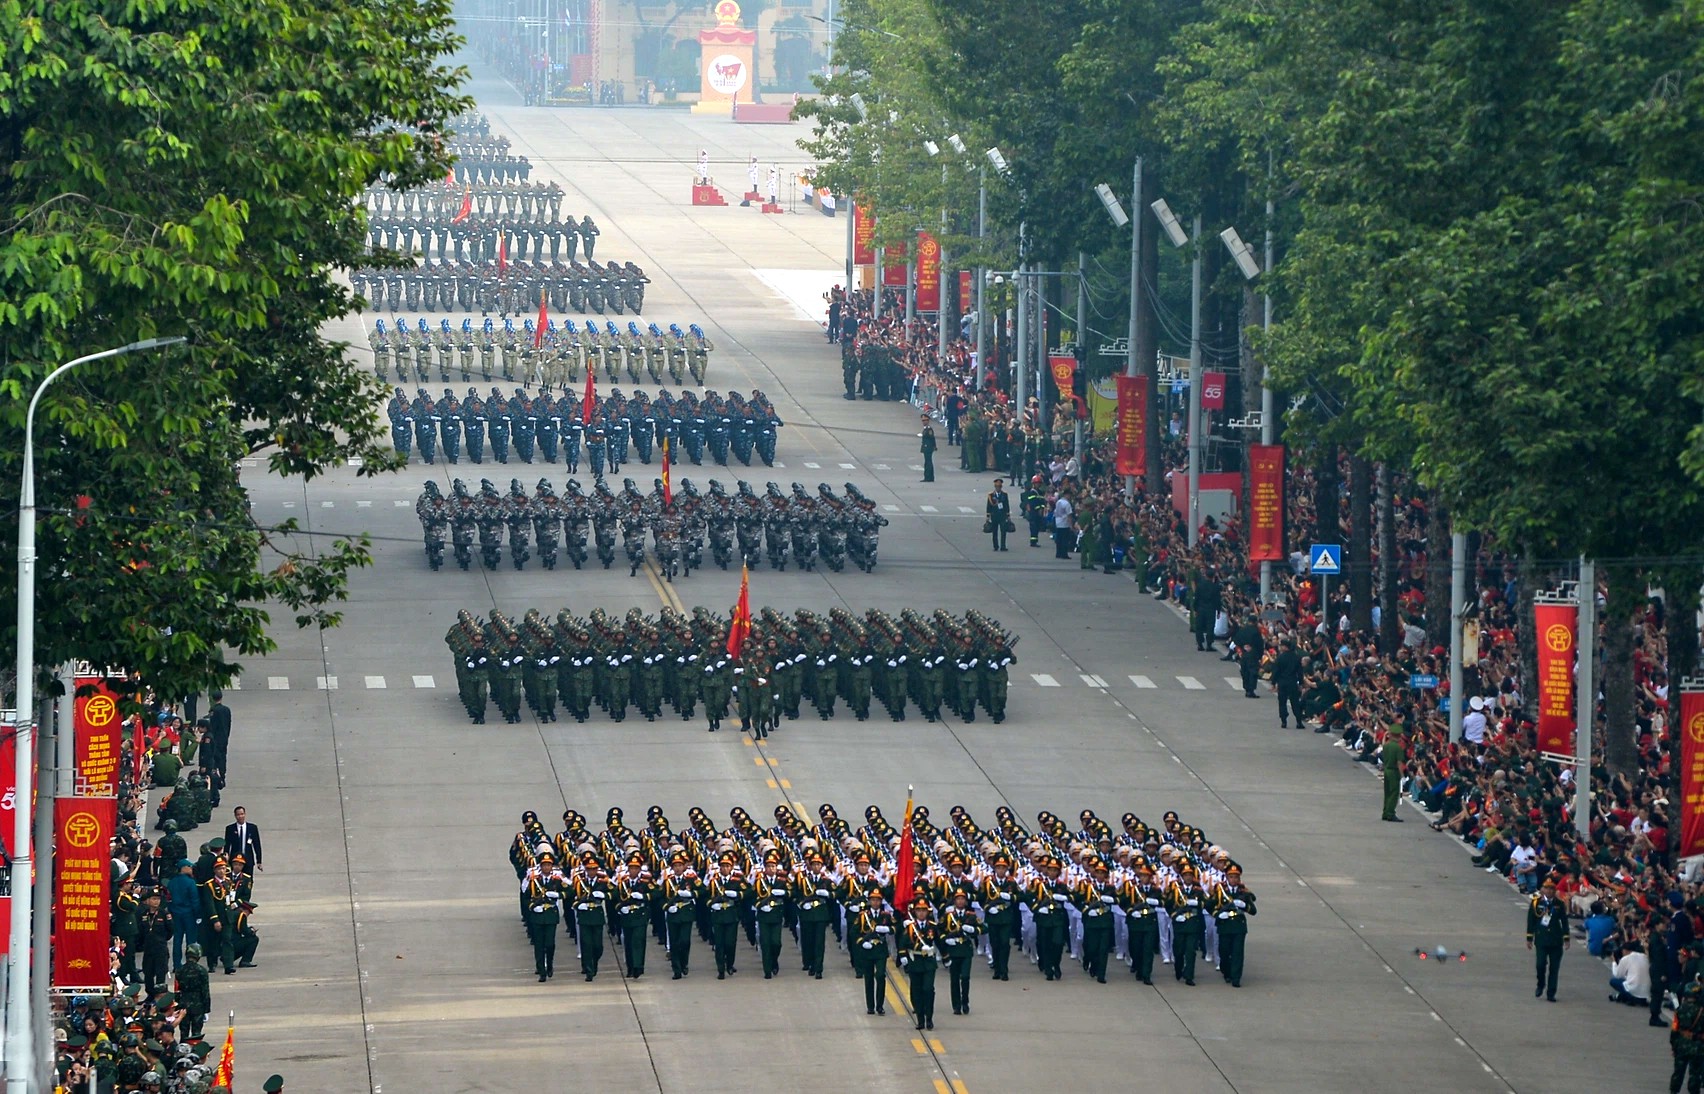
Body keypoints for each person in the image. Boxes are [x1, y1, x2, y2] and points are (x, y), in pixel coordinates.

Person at [1209, 864, 1256, 987]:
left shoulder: (1243, 892)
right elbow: (1209, 906)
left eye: (1236, 877)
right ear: (1227, 878)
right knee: (1224, 952)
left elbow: (1253, 911)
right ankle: (1227, 972)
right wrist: (1218, 915)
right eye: (1231, 877)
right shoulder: (1220, 890)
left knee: (1237, 953)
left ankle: (1236, 978)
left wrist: (1244, 905)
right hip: (1224, 926)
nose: (1234, 879)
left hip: (1238, 926)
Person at [898, 897, 939, 1030]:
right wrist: (903, 956)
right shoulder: (910, 928)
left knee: (928, 989)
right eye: (919, 910)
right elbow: (903, 943)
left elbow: (940, 941)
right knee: (916, 991)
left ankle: (929, 1018)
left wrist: (946, 956)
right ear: (915, 912)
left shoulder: (932, 926)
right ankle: (920, 1019)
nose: (921, 913)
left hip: (928, 962)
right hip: (915, 962)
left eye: (924, 910)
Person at [853, 888, 895, 1014]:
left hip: (880, 950)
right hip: (867, 951)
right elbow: (854, 932)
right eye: (873, 900)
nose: (875, 903)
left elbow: (895, 927)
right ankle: (870, 1006)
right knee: (869, 978)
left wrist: (888, 929)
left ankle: (880, 1005)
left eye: (878, 900)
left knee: (881, 975)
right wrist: (862, 942)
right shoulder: (863, 916)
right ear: (869, 901)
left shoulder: (885, 915)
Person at [1527, 875, 1570, 1001]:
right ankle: (1540, 985)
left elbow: (1564, 921)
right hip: (1541, 939)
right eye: (1547, 888)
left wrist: (1566, 938)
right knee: (1540, 965)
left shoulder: (1559, 904)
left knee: (1554, 968)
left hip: (1556, 940)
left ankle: (1551, 993)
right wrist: (1529, 938)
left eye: (1552, 888)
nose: (1549, 891)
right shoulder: (1536, 903)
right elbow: (1531, 921)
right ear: (1542, 889)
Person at [1673, 979, 1704, 1094]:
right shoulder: (1701, 1011)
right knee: (1695, 1072)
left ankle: (1674, 1090)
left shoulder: (1679, 1010)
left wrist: (1674, 1046)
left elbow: (1674, 1029)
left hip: (1681, 1044)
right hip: (1698, 1046)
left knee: (1678, 1071)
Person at [1271, 639, 1303, 728]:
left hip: (1282, 682)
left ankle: (1284, 721)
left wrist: (1273, 682)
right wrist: (1300, 683)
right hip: (1292, 682)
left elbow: (1276, 671)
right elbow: (1300, 672)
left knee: (1282, 702)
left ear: (1285, 647)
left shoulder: (1280, 658)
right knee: (1295, 702)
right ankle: (1299, 721)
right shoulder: (1296, 657)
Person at [1232, 614, 1265, 698]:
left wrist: (1243, 646)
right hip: (1253, 653)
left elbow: (1236, 639)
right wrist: (1260, 655)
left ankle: (1246, 689)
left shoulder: (1243, 629)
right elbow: (1260, 644)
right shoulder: (1256, 631)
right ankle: (1251, 690)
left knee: (1245, 671)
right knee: (1253, 671)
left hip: (1244, 653)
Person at [223, 806, 262, 877]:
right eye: (238, 815)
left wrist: (259, 861)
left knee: (248, 880)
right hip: (235, 860)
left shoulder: (252, 828)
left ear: (245, 814)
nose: (240, 816)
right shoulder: (230, 828)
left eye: (242, 814)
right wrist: (225, 860)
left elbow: (257, 845)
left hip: (248, 859)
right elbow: (227, 845)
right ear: (235, 816)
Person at [1380, 722, 1407, 823]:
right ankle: (1391, 813)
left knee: (1387, 793)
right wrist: (1402, 776)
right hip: (1394, 772)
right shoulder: (1398, 748)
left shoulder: (1387, 745)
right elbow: (1399, 763)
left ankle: (1385, 812)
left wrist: (1385, 736)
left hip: (1386, 770)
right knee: (1394, 793)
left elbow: (1383, 747)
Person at [1612, 941, 1653, 1006]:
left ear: (1624, 950)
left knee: (1613, 981)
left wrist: (1614, 962)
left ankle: (1631, 997)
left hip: (1633, 990)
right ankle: (1639, 999)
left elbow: (1617, 975)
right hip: (1646, 992)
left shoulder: (1626, 958)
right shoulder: (1644, 956)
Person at [205, 690, 232, 779]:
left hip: (216, 737)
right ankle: (223, 772)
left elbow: (212, 725)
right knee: (223, 755)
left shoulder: (214, 710)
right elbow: (229, 723)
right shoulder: (227, 710)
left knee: (215, 755)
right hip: (224, 736)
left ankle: (215, 772)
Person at [985, 479, 1011, 551]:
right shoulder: (991, 495)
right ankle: (995, 546)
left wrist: (1008, 515)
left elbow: (1006, 505)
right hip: (994, 515)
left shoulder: (1004, 495)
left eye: (999, 486)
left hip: (1002, 515)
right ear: (995, 487)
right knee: (994, 532)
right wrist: (988, 516)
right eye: (997, 486)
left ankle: (1003, 546)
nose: (998, 488)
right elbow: (988, 506)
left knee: (1003, 531)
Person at [1051, 491, 1074, 559]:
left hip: (1058, 522)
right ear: (1067, 495)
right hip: (1064, 523)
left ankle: (1058, 553)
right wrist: (1071, 525)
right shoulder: (1067, 504)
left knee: (1059, 539)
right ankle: (1064, 554)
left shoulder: (1059, 502)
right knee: (1065, 540)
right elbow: (1069, 515)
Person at [919, 415, 937, 483]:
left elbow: (932, 438)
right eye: (922, 420)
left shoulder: (929, 429)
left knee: (928, 462)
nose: (923, 422)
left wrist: (934, 446)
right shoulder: (925, 429)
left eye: (924, 420)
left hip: (928, 447)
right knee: (927, 462)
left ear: (928, 421)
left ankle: (928, 477)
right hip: (926, 447)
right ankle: (929, 477)